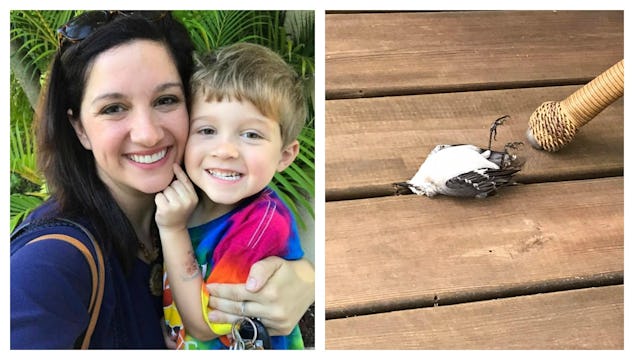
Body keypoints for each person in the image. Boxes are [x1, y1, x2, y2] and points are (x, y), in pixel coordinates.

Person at [10, 11, 314, 349]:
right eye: (113, 108)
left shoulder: (198, 206)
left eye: (166, 100)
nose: (149, 134)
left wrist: (308, 277)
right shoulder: (51, 264)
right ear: (79, 127)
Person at [156, 42, 308, 350]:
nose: (224, 150)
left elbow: (203, 323)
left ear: (284, 155)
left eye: (251, 134)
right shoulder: (188, 198)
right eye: (207, 131)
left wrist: (172, 230)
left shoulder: (262, 225)